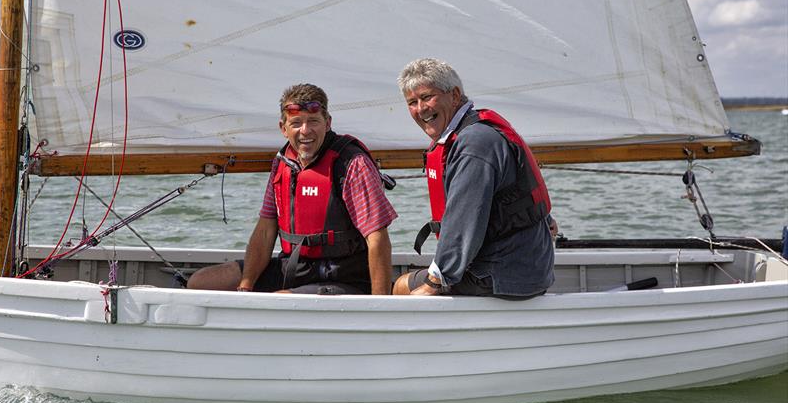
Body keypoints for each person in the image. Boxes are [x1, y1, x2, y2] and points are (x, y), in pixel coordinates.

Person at [188, 84, 396, 295]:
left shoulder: (352, 163)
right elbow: (265, 229)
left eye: (313, 121)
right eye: (296, 123)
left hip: (343, 277)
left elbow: (377, 238)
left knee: (278, 299)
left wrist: (380, 303)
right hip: (294, 268)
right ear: (283, 128)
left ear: (328, 123)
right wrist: (246, 286)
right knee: (201, 282)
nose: (305, 131)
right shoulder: (283, 163)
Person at [392, 58, 555, 298]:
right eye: (412, 102)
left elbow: (464, 219)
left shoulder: (473, 144)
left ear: (455, 95)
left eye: (427, 97)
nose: (420, 109)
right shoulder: (472, 132)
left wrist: (435, 282)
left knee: (401, 287)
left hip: (502, 274)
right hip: (523, 266)